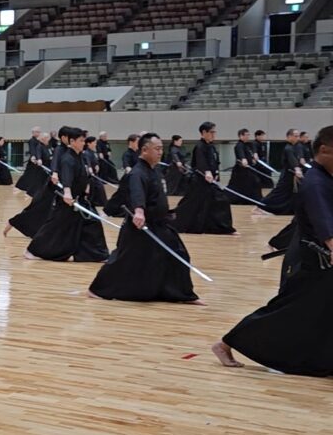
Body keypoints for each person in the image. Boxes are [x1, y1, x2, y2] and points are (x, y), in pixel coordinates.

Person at [213, 124, 333, 375]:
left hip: (319, 259)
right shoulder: (315, 183)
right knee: (285, 310)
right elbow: (324, 224)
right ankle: (226, 343)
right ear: (324, 150)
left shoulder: (325, 177)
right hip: (312, 261)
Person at [89, 133, 200, 303]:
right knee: (123, 260)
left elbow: (122, 193)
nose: (160, 152)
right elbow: (136, 193)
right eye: (157, 149)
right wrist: (139, 211)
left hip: (159, 225)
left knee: (177, 255)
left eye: (161, 149)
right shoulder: (138, 173)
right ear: (145, 150)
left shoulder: (154, 170)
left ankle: (180, 294)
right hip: (141, 226)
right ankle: (98, 289)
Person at [26, 127, 107, 262]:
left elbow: (84, 174)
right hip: (69, 200)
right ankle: (32, 250)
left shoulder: (80, 156)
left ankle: (97, 254)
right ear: (72, 141)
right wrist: (67, 192)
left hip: (80, 199)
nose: (83, 143)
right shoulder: (67, 159)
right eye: (81, 141)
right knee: (55, 226)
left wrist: (86, 186)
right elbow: (67, 176)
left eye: (84, 141)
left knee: (92, 224)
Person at [173, 122, 235, 235]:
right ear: (204, 132)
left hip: (210, 182)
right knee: (189, 205)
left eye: (214, 132)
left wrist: (216, 173)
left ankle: (221, 228)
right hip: (200, 182)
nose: (214, 134)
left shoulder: (211, 146)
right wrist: (207, 172)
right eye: (211, 132)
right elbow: (201, 161)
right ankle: (173, 222)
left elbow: (215, 161)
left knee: (220, 202)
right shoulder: (199, 146)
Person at [258, 128, 303, 216]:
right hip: (286, 175)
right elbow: (292, 160)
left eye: (298, 136)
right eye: (295, 136)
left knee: (290, 194)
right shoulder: (288, 148)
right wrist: (297, 169)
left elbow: (298, 159)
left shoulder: (296, 147)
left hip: (292, 175)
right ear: (289, 137)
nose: (297, 138)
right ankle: (259, 206)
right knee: (278, 192)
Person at [228, 128, 264, 204]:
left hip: (248, 169)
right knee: (240, 185)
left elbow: (251, 151)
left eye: (248, 135)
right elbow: (240, 153)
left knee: (255, 183)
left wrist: (253, 157)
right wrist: (243, 159)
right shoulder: (239, 145)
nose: (248, 136)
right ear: (241, 136)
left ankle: (253, 199)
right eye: (246, 135)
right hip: (240, 170)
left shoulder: (248, 145)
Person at [15, 128, 46, 195]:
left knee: (32, 174)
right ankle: (21, 186)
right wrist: (33, 156)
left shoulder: (38, 140)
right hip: (33, 160)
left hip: (37, 160)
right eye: (37, 132)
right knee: (28, 174)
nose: (39, 133)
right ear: (33, 133)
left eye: (39, 132)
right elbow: (32, 149)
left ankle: (30, 187)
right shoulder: (32, 140)